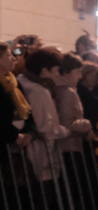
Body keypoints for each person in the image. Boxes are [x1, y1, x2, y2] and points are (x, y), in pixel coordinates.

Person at [17, 48, 70, 181]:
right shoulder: (39, 91)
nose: (58, 74)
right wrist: (69, 130)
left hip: (28, 153)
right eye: (56, 70)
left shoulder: (20, 81)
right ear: (44, 71)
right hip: (42, 157)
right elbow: (46, 128)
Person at [0, 42, 32, 147]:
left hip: (17, 142)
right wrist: (14, 135)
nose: (14, 58)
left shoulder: (13, 82)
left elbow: (27, 109)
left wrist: (27, 132)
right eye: (8, 55)